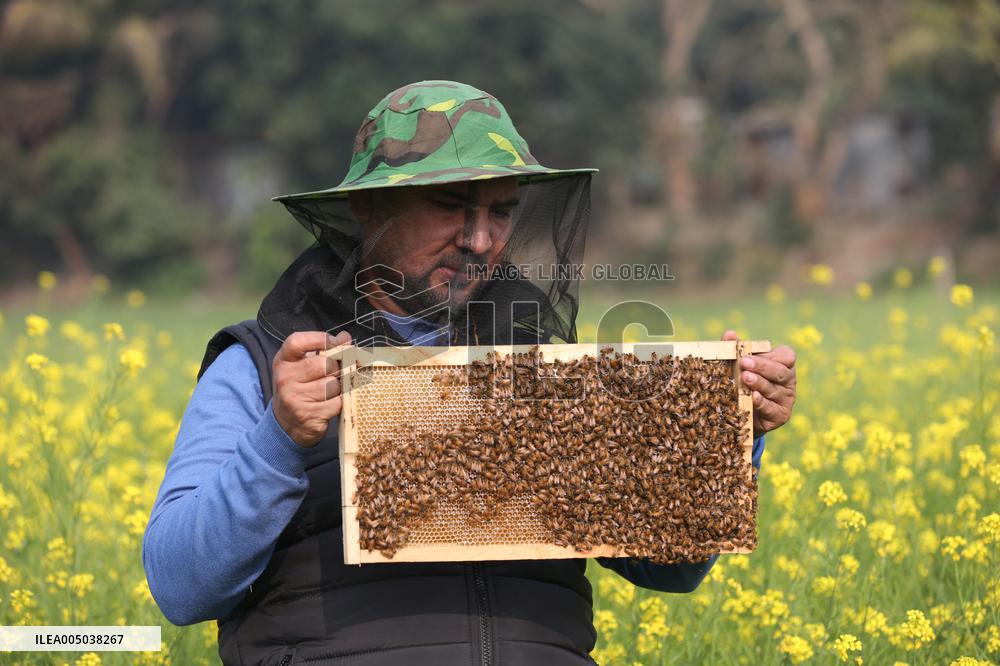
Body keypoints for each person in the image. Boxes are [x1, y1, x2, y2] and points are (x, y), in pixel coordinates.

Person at [143, 80, 797, 665]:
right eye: (451, 207)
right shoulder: (262, 368)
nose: (479, 240)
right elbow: (179, 586)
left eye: (500, 212)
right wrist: (279, 439)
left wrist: (734, 428)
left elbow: (671, 569)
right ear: (370, 208)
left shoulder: (544, 372)